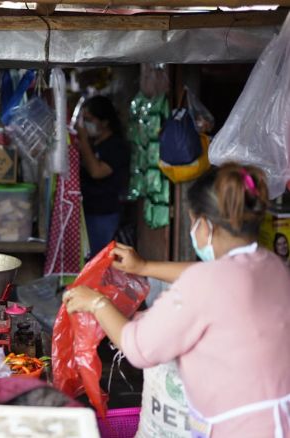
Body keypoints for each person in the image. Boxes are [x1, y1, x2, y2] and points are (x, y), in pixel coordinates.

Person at [63, 163, 290, 437]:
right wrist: (144, 267)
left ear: (206, 225)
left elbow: (138, 348)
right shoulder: (271, 265)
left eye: (194, 222)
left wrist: (97, 303)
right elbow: (211, 277)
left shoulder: (206, 284)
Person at [77, 95, 129, 257]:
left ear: (105, 122)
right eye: (83, 120)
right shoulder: (96, 144)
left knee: (96, 259)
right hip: (90, 211)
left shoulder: (116, 146)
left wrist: (83, 140)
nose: (85, 125)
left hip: (103, 213)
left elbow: (96, 172)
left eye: (89, 119)